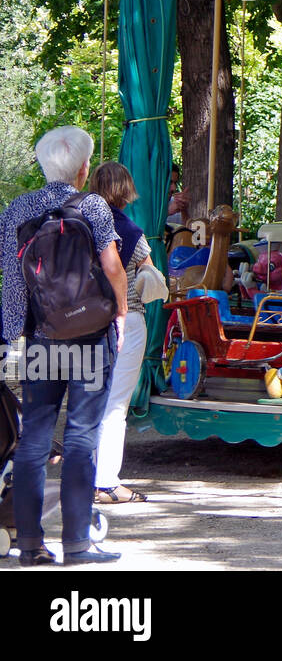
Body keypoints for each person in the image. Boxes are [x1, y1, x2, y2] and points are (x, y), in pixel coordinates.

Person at [0, 126, 126, 565]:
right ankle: (77, 544)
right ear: (83, 168)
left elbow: (13, 283)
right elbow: (112, 267)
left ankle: (30, 545)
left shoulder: (17, 209)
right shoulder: (92, 206)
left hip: (41, 340)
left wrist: (13, 332)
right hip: (91, 339)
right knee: (81, 437)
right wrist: (121, 316)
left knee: (34, 440)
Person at [89, 162, 151, 506]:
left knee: (89, 399)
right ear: (126, 190)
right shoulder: (131, 232)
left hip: (81, 322)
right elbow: (153, 276)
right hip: (125, 320)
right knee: (116, 404)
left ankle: (85, 475)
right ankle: (106, 481)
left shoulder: (79, 225)